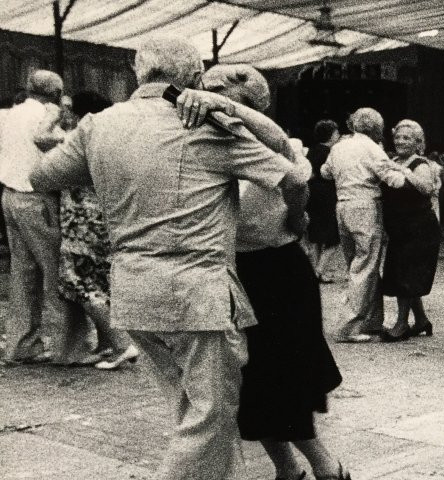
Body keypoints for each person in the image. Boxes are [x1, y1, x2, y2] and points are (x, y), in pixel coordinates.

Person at [29, 37, 310, 479]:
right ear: (196, 79)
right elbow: (291, 172)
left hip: (134, 291)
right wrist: (234, 112)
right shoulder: (205, 126)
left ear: (138, 73)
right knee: (211, 418)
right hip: (198, 295)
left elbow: (42, 176)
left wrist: (111, 166)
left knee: (187, 412)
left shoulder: (99, 125)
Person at [196, 63, 349, 480]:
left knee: (283, 379)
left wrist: (297, 218)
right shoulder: (201, 150)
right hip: (231, 274)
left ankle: (326, 468)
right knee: (249, 383)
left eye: (225, 99)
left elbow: (293, 180)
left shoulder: (277, 146)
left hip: (278, 273)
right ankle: (288, 470)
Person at [32, 90, 141, 370]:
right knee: (102, 283)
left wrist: (51, 114)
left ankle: (121, 343)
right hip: (105, 218)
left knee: (80, 283)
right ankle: (107, 345)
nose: (65, 113)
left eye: (69, 108)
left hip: (81, 221)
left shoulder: (82, 137)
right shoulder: (114, 135)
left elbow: (41, 138)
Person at [321, 108, 411, 343]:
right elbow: (391, 178)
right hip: (365, 206)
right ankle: (348, 326)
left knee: (356, 264)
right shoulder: (371, 147)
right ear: (375, 129)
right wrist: (407, 173)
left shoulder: (339, 147)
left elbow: (325, 172)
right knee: (366, 266)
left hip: (342, 205)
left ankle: (371, 320)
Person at [0, 70, 72, 365]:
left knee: (22, 272)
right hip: (38, 198)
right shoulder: (46, 118)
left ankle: (20, 344)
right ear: (55, 94)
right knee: (57, 271)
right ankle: (68, 345)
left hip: (9, 196)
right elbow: (64, 153)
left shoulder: (7, 115)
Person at [378, 119, 441, 341]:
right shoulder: (391, 160)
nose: (400, 141)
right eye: (398, 137)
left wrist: (402, 170)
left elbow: (426, 188)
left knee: (406, 275)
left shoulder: (421, 164)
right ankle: (422, 320)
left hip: (418, 227)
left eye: (407, 138)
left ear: (418, 143)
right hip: (399, 227)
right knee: (402, 273)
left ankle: (401, 324)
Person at [305, 119, 346, 283]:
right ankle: (319, 271)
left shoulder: (310, 151)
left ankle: (316, 271)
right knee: (333, 239)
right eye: (336, 132)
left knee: (315, 238)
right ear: (331, 135)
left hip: (312, 196)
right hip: (328, 198)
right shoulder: (332, 153)